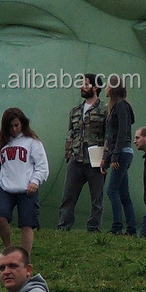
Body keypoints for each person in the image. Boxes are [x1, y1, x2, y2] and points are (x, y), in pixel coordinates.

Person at [0, 108, 49, 255]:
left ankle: (25, 257)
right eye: (10, 126)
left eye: (16, 125)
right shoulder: (0, 142)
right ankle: (9, 249)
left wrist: (35, 181)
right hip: (6, 188)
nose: (14, 129)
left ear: (22, 124)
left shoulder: (32, 142)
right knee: (1, 218)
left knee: (26, 225)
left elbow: (42, 166)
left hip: (27, 189)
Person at [57, 75, 107, 232]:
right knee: (68, 197)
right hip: (76, 159)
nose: (81, 87)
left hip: (96, 160)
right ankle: (64, 226)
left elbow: (108, 135)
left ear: (95, 87)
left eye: (85, 84)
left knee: (97, 199)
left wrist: (105, 158)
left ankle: (93, 228)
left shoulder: (105, 110)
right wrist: (68, 154)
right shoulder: (75, 111)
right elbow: (70, 133)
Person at [101, 81, 137, 236]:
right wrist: (106, 159)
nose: (105, 89)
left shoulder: (121, 106)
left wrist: (114, 157)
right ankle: (131, 228)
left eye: (108, 86)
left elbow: (122, 132)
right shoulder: (117, 107)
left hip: (122, 152)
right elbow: (112, 136)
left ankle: (117, 226)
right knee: (124, 193)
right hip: (121, 152)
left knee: (112, 191)